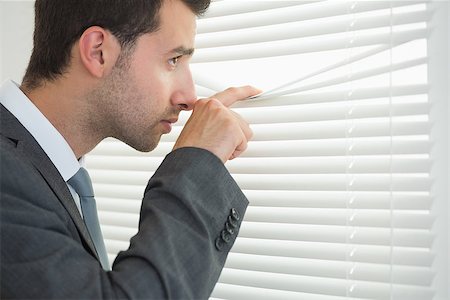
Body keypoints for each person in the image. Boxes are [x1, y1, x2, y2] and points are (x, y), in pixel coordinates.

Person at [0, 0, 261, 298]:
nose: (190, 97)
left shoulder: (43, 172)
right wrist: (198, 163)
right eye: (173, 60)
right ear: (98, 52)